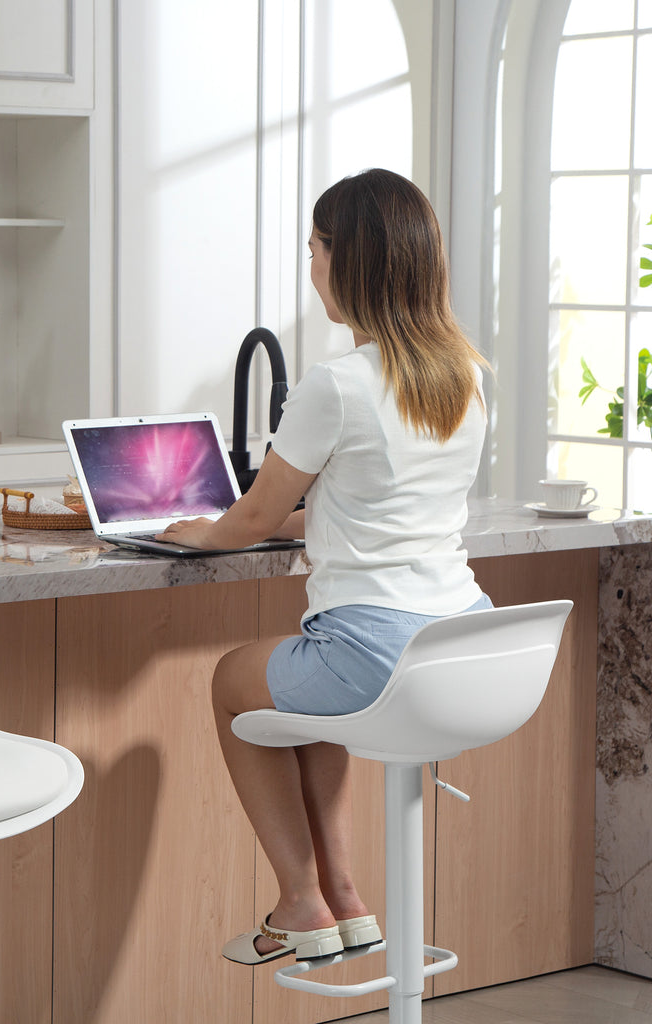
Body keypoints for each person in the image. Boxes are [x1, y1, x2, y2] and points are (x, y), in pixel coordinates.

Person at [155, 168, 492, 965]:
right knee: (302, 687)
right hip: (463, 643)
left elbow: (258, 518)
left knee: (236, 680)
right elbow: (375, 500)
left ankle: (300, 902)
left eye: (316, 249)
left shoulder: (336, 385)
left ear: (353, 261)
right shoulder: (465, 376)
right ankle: (344, 896)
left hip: (377, 651)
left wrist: (194, 533)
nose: (311, 268)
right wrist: (275, 523)